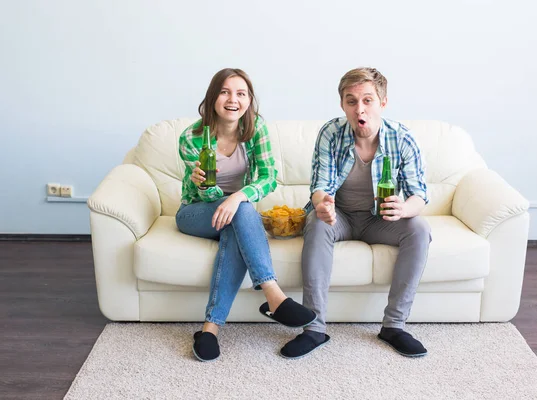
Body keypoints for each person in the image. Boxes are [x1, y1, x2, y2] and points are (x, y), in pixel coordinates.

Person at [280, 67, 431, 359]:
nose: (359, 109)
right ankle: (314, 329)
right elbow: (320, 184)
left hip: (381, 220)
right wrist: (323, 203)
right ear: (342, 104)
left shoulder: (402, 138)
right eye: (351, 101)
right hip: (342, 217)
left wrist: (404, 209)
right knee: (316, 222)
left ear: (382, 103)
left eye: (367, 100)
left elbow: (420, 194)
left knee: (420, 229)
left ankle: (394, 326)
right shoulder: (331, 133)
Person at [176, 68, 316, 362]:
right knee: (241, 212)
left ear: (249, 100)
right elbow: (206, 195)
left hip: (236, 211)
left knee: (237, 219)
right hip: (195, 212)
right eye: (225, 92)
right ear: (213, 97)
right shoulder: (192, 137)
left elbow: (269, 177)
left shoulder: (256, 130)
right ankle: (274, 296)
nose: (233, 99)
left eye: (241, 93)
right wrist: (209, 188)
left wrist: (238, 197)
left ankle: (209, 329)